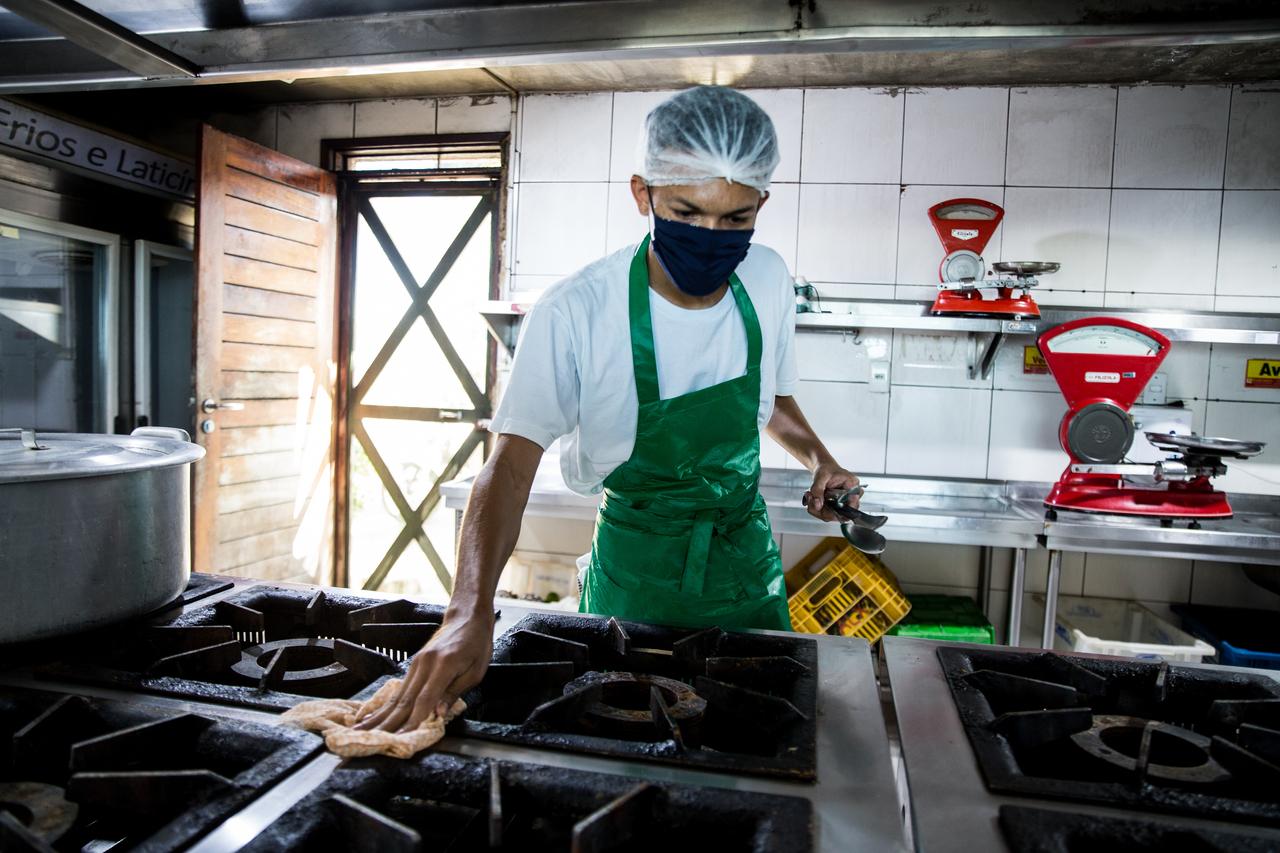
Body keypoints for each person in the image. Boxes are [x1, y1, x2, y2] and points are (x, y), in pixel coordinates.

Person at [356, 85, 860, 734]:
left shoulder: (766, 279)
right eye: (687, 210)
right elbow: (509, 464)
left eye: (736, 218)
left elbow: (771, 394)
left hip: (743, 567)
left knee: (760, 744)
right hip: (634, 575)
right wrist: (467, 609)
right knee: (626, 742)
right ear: (643, 194)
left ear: (762, 201)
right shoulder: (577, 310)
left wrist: (821, 458)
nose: (712, 237)